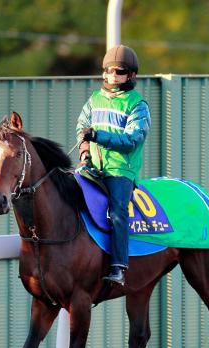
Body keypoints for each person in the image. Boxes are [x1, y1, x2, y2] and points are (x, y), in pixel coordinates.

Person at [77, 45, 151, 286]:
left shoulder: (138, 105)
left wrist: (97, 136)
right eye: (108, 71)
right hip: (93, 167)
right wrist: (85, 151)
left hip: (120, 170)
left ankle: (119, 266)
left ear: (131, 75)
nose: (112, 76)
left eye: (118, 72)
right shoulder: (94, 100)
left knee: (117, 212)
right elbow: (82, 127)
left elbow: (132, 140)